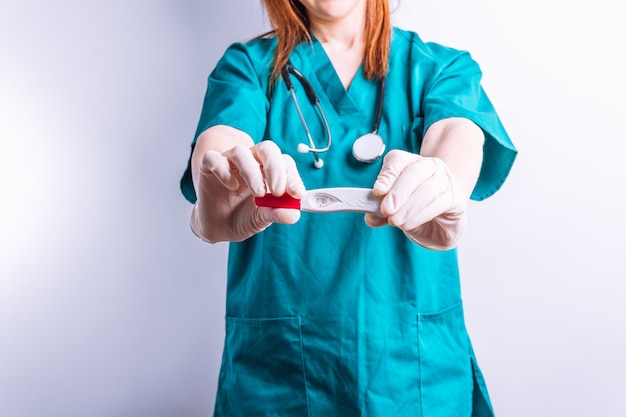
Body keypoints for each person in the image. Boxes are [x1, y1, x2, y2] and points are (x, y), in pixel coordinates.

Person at [180, 0, 517, 415]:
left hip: (412, 378)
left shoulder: (440, 69)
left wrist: (445, 180)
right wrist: (216, 183)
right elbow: (221, 142)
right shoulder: (248, 68)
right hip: (278, 378)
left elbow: (457, 133)